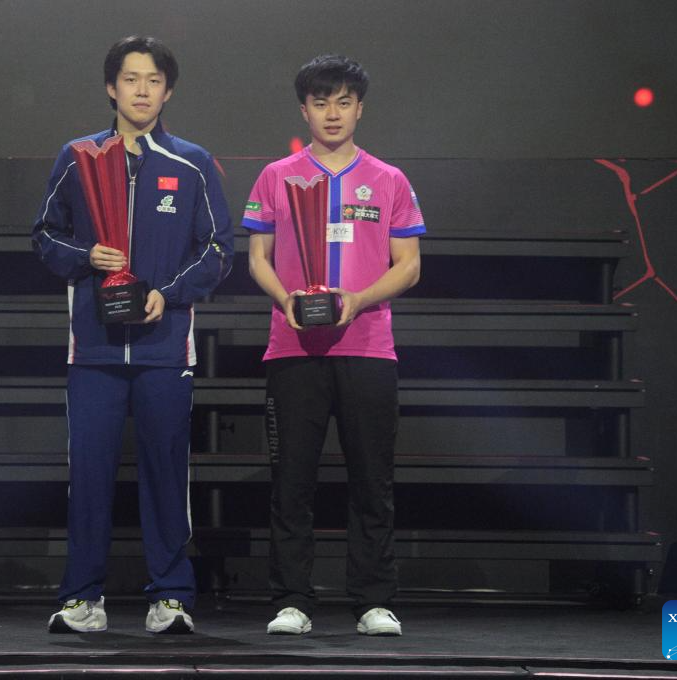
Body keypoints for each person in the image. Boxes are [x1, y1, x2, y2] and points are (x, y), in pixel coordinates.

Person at [32, 35, 233, 635]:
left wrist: (167, 294)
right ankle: (82, 598)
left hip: (164, 347)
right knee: (89, 474)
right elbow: (44, 235)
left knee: (166, 472)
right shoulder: (77, 157)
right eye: (130, 79)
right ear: (110, 87)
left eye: (153, 81)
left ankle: (170, 596)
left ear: (168, 92)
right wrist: (86, 256)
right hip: (93, 348)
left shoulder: (192, 162)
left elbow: (218, 248)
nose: (141, 90)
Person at [242, 54, 424, 636]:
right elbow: (257, 257)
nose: (333, 113)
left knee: (372, 480)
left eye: (344, 102)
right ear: (304, 110)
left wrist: (359, 299)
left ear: (360, 108)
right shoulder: (277, 176)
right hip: (293, 350)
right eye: (321, 103)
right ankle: (292, 600)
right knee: (291, 480)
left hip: (368, 348)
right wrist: (288, 301)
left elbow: (410, 265)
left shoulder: (389, 179)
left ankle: (373, 600)